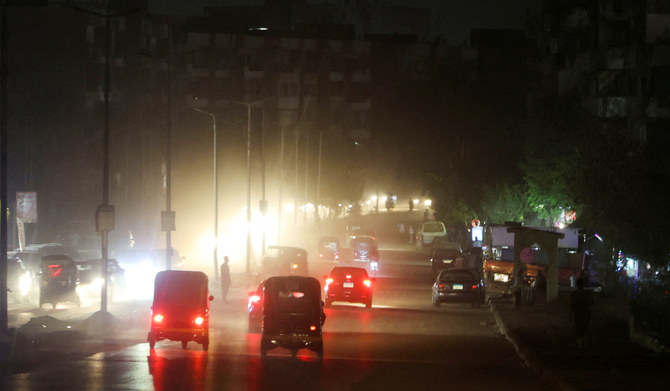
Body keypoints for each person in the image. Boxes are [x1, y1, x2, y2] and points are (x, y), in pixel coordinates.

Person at [570, 278, 593, 348]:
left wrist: (570, 315)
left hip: (578, 314)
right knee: (585, 328)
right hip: (585, 313)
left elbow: (572, 305)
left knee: (578, 328)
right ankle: (585, 342)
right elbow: (591, 303)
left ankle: (580, 343)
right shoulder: (587, 294)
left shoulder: (574, 294)